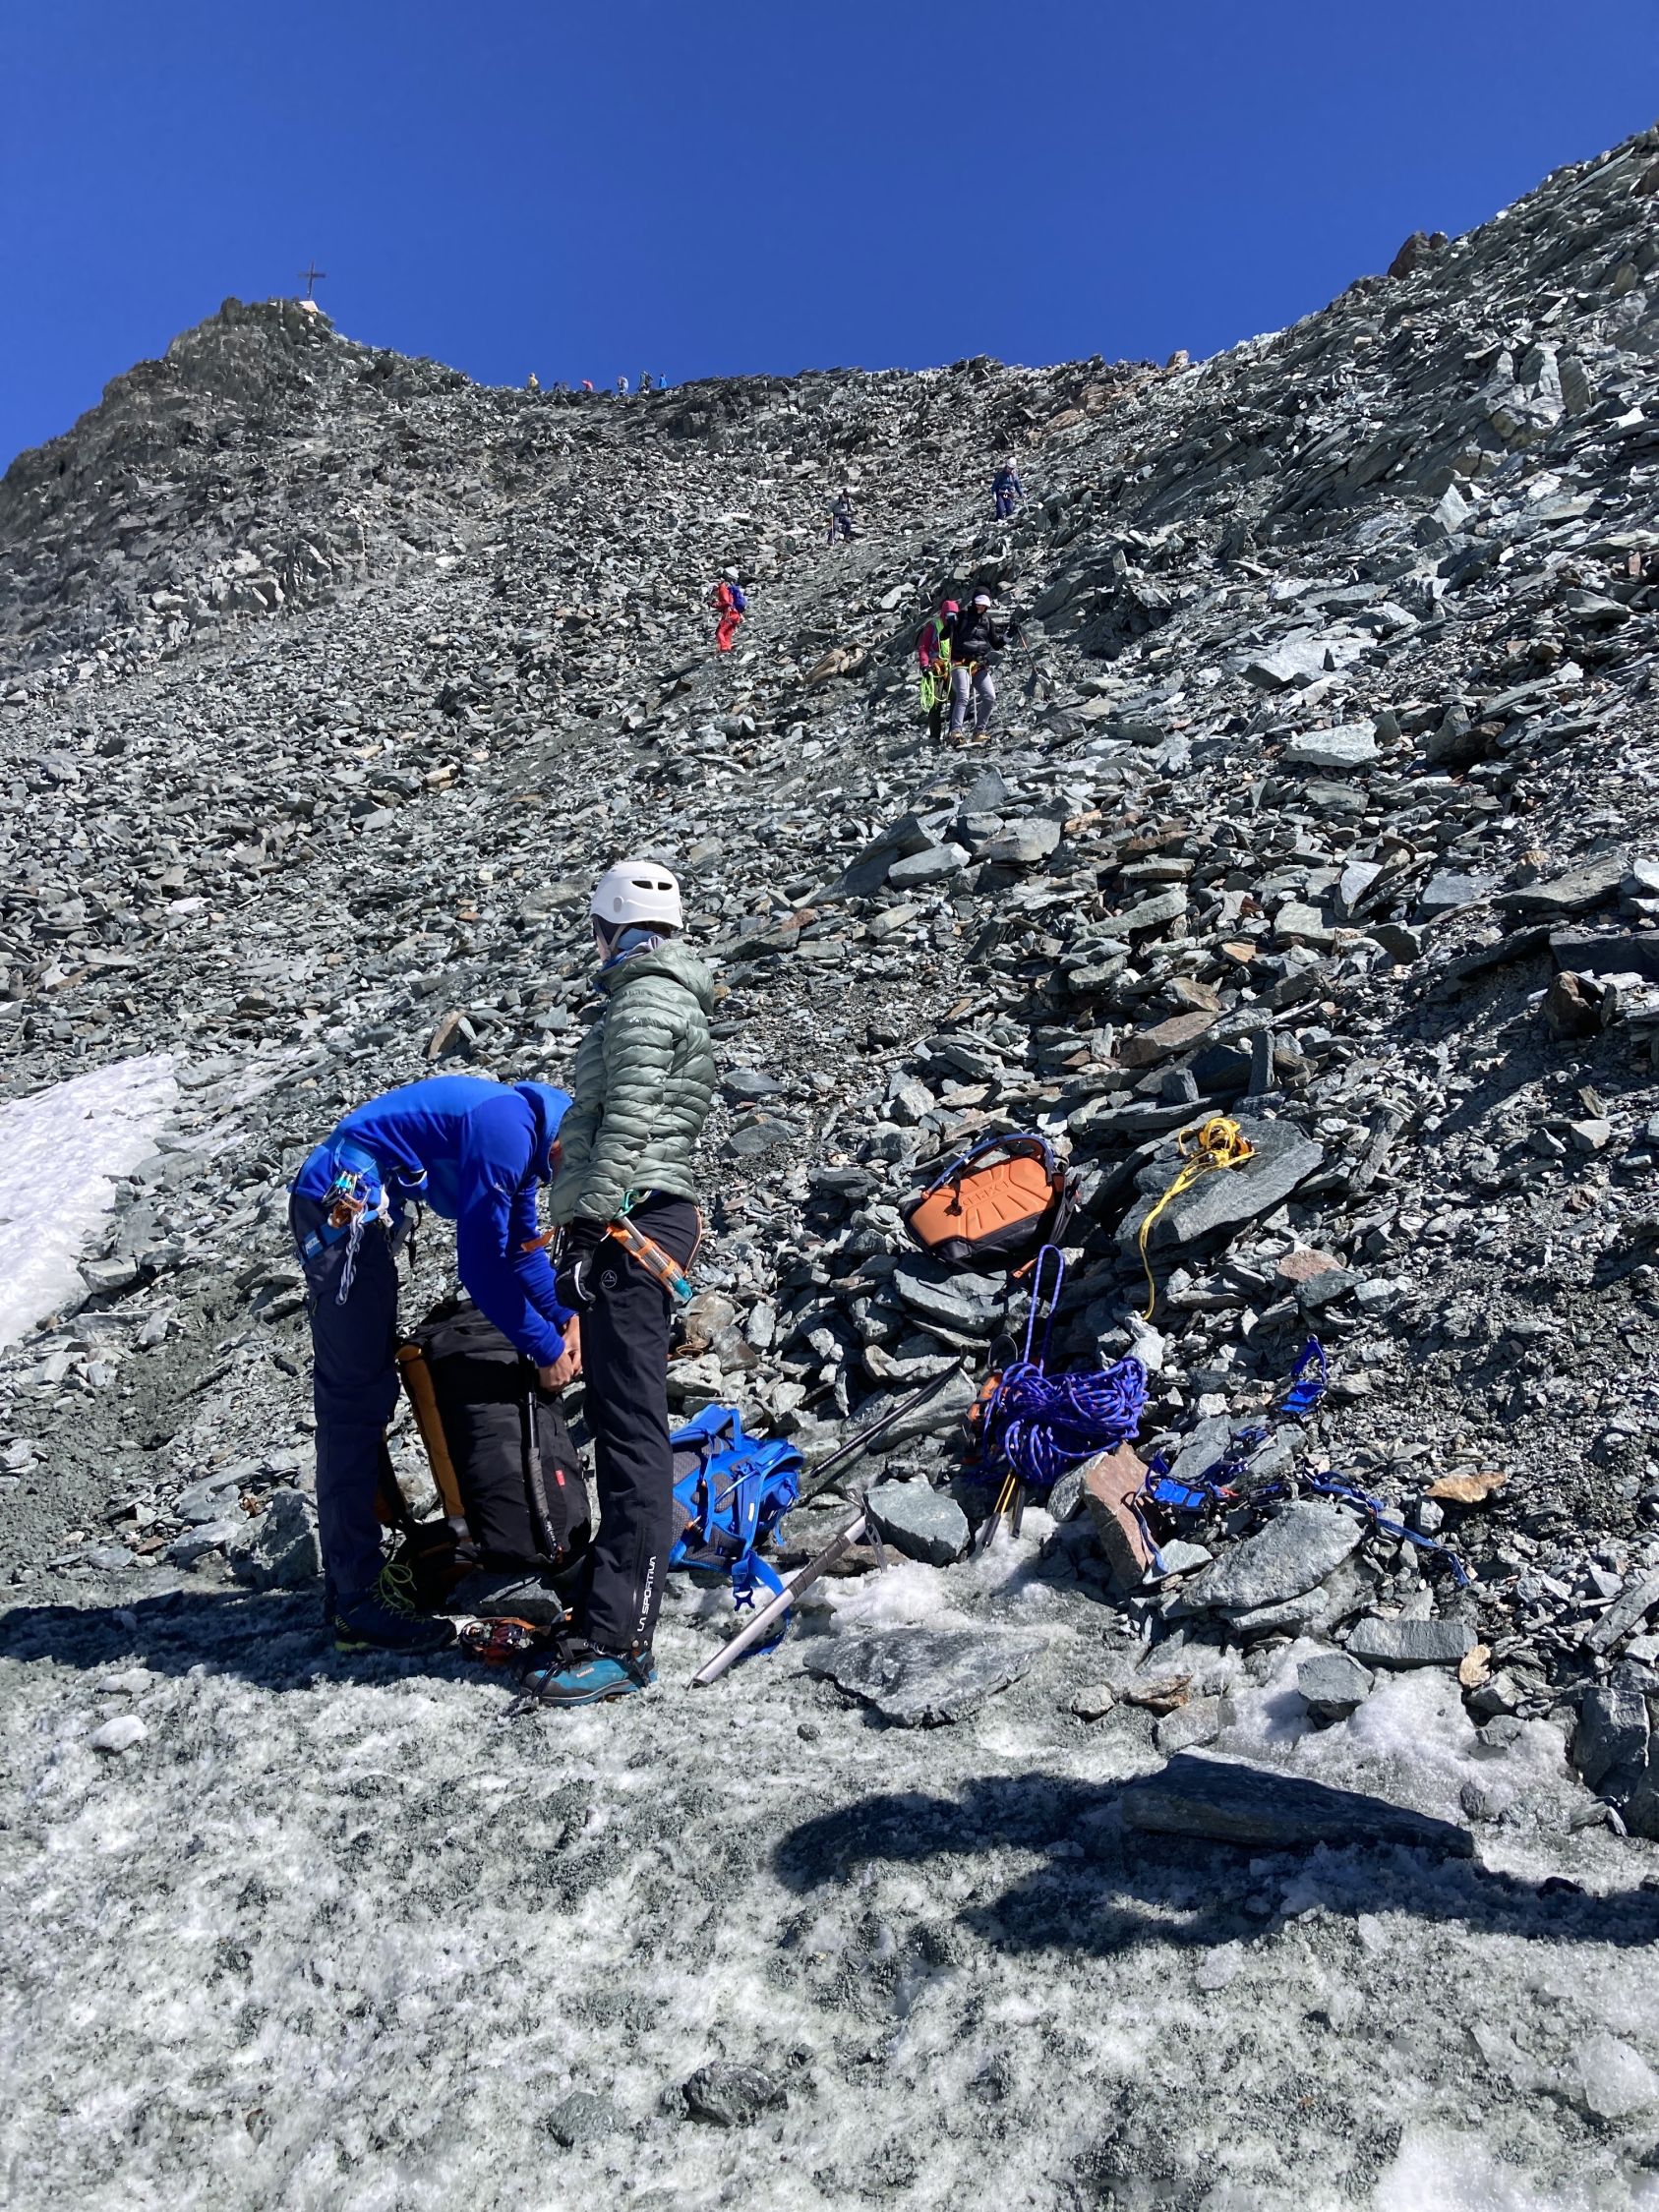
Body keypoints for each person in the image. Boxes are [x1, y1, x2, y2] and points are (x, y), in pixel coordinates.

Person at [289, 1077, 580, 1653]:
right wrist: (546, 1350)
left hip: (362, 1209)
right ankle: (356, 1602)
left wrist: (567, 1319)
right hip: (341, 1208)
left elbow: (520, 1251)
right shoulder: (508, 1131)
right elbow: (480, 1266)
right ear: (564, 1143)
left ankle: (353, 1586)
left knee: (365, 1395)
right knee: (354, 1402)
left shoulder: (525, 1137)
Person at [521, 859, 716, 1707]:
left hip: (631, 1222)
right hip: (640, 1219)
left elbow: (627, 1119)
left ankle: (623, 1642)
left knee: (629, 1429)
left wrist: (588, 1220)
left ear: (609, 925)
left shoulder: (642, 1000)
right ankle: (608, 1610)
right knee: (620, 1418)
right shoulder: (658, 993)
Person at [946, 589, 1005, 737]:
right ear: (973, 602)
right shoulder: (962, 616)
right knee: (963, 696)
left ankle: (979, 731)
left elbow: (996, 644)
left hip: (979, 665)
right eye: (979, 604)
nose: (981, 607)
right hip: (960, 663)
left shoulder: (987, 621)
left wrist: (1009, 634)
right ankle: (955, 732)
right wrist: (950, 624)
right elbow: (944, 636)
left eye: (984, 605)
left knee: (990, 697)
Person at [917, 598, 957, 742]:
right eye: (949, 615)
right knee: (935, 703)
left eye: (954, 615)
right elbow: (924, 647)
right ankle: (935, 736)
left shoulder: (957, 627)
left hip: (951, 666)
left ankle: (954, 731)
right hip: (935, 668)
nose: (951, 618)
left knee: (957, 697)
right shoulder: (933, 626)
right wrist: (924, 665)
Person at [711, 571, 745, 652]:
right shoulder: (727, 590)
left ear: (715, 589)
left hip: (730, 614)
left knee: (720, 632)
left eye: (713, 593)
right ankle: (727, 647)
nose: (715, 595)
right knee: (728, 632)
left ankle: (723, 648)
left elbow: (725, 602)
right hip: (735, 615)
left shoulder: (722, 590)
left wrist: (714, 605)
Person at [992, 456, 1025, 521]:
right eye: (1009, 468)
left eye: (1012, 468)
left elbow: (1017, 486)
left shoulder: (1014, 476)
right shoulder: (1000, 475)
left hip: (1009, 494)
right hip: (1000, 494)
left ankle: (1007, 523)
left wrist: (1021, 494)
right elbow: (994, 486)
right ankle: (997, 521)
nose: (1010, 470)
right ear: (1007, 466)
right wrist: (994, 495)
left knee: (1010, 510)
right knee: (1000, 509)